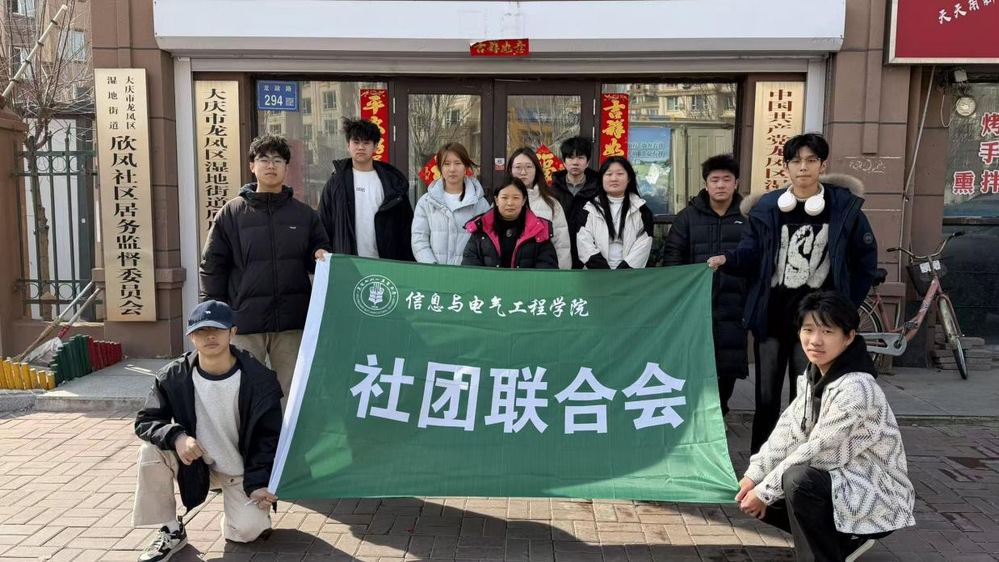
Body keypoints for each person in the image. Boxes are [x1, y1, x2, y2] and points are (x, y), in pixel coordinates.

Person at [707, 133, 877, 453]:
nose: (803, 167)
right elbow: (750, 253)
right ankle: (761, 462)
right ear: (786, 166)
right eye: (796, 161)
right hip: (771, 317)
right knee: (766, 399)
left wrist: (844, 307)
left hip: (815, 322)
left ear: (822, 165)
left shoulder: (843, 208)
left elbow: (865, 263)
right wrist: (727, 259)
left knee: (806, 397)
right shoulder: (768, 207)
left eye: (811, 160)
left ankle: (799, 461)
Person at [737, 291, 914, 562]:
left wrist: (764, 491)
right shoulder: (813, 376)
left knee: (797, 481)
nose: (815, 340)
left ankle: (829, 551)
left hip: (878, 495)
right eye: (808, 329)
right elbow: (786, 433)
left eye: (827, 331)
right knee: (763, 489)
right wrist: (752, 477)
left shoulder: (857, 388)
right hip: (843, 482)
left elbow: (819, 451)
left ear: (849, 337)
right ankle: (842, 544)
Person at [132, 300, 283, 562]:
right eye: (201, 330)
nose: (210, 336)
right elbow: (146, 421)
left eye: (217, 329)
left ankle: (239, 511)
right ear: (191, 336)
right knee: (150, 449)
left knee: (248, 531)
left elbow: (268, 438)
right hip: (195, 464)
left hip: (240, 471)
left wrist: (259, 481)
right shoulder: (174, 376)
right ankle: (171, 530)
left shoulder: (260, 380)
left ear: (232, 332)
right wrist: (177, 436)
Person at [200, 134, 329, 401]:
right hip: (245, 323)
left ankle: (284, 432)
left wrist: (320, 254)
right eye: (264, 159)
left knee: (291, 393)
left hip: (292, 323)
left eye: (278, 160)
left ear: (286, 167)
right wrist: (215, 316)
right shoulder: (231, 214)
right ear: (252, 166)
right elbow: (212, 266)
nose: (271, 165)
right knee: (245, 391)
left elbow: (319, 253)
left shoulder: (304, 214)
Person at [664, 154, 748, 414]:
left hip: (735, 302)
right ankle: (693, 415)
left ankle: (719, 414)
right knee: (693, 361)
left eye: (727, 179)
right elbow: (673, 259)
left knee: (728, 364)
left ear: (736, 183)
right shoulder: (687, 217)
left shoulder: (749, 218)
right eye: (715, 179)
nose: (720, 185)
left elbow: (758, 258)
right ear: (706, 184)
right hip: (696, 304)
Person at [319, 117, 414, 261]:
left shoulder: (392, 183)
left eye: (366, 142)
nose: (360, 147)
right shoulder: (336, 183)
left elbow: (406, 227)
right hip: (349, 263)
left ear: (375, 147)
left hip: (385, 263)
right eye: (356, 142)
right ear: (348, 145)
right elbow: (323, 224)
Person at [411, 142, 491, 265]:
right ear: (440, 168)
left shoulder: (479, 203)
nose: (452, 169)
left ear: (465, 166)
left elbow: (486, 243)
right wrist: (432, 267)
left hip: (468, 272)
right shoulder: (426, 202)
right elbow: (419, 240)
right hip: (435, 272)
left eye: (458, 163)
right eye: (446, 164)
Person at [576, 156, 654, 269]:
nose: (614, 178)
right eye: (608, 174)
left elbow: (643, 245)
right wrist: (604, 271)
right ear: (601, 178)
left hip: (629, 274)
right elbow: (584, 243)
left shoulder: (641, 210)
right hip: (595, 274)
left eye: (620, 174)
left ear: (629, 178)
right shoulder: (589, 209)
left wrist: (623, 271)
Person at [462, 177, 558, 269]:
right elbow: (470, 267)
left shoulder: (539, 231)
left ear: (523, 200)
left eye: (516, 198)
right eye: (504, 198)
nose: (510, 203)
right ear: (496, 200)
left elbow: (547, 269)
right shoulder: (480, 228)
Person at [507, 147, 572, 269]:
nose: (523, 172)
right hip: (508, 272)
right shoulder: (501, 202)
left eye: (529, 167)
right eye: (518, 167)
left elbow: (561, 245)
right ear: (510, 170)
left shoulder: (551, 204)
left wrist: (562, 275)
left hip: (542, 272)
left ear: (536, 170)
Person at [550, 136, 601, 269]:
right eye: (570, 158)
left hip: (591, 252)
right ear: (564, 161)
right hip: (559, 251)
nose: (575, 162)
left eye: (580, 158)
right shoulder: (552, 190)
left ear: (587, 162)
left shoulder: (598, 190)